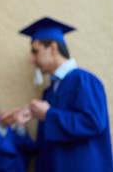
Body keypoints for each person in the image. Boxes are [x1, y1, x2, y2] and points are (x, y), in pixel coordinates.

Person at [20, 16, 113, 172]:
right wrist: (22, 127)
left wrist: (48, 114)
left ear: (53, 48)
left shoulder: (85, 80)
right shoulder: (48, 92)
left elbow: (93, 122)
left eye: (35, 52)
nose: (32, 60)